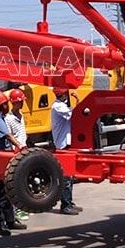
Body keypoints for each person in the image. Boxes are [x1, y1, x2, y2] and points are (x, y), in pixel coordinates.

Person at [0, 90, 27, 235]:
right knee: (1, 193)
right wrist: (19, 145)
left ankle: (9, 220)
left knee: (7, 190)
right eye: (6, 103)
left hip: (3, 156)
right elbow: (8, 135)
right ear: (2, 105)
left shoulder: (0, 118)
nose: (8, 105)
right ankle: (0, 224)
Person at [51, 87, 83, 215]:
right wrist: (78, 99)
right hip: (62, 145)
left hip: (65, 143)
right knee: (67, 176)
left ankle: (68, 201)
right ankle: (65, 204)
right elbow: (76, 114)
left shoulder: (60, 106)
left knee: (70, 176)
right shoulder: (58, 107)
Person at [5, 88, 29, 221]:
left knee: (23, 181)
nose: (22, 104)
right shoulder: (8, 119)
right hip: (15, 151)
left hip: (23, 149)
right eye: (21, 102)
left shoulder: (21, 116)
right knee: (15, 182)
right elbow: (9, 136)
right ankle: (15, 210)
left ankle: (21, 208)